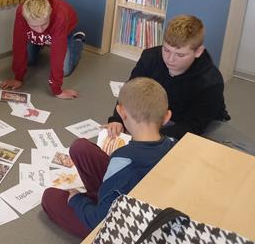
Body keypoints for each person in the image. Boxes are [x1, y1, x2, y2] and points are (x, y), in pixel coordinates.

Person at [41, 77, 174, 238]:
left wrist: (76, 200)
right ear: (167, 117)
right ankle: (95, 200)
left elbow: (98, 221)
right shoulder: (174, 145)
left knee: (49, 197)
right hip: (135, 198)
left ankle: (91, 202)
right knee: (80, 147)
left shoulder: (122, 160)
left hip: (119, 224)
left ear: (121, 112)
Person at [104, 15, 231, 141]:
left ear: (198, 52)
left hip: (202, 124)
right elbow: (130, 92)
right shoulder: (150, 58)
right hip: (161, 115)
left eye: (180, 55)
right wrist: (117, 119)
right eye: (166, 50)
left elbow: (193, 126)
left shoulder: (210, 82)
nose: (170, 59)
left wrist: (151, 135)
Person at [1, 0, 85, 99]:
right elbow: (19, 45)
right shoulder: (21, 13)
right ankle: (43, 41)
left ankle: (78, 39)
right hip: (45, 35)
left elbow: (58, 54)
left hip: (65, 31)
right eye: (34, 26)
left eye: (44, 24)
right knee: (29, 60)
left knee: (65, 70)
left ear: (49, 15)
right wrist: (18, 78)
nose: (40, 30)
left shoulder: (60, 16)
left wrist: (57, 90)